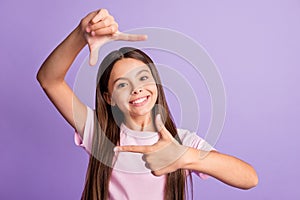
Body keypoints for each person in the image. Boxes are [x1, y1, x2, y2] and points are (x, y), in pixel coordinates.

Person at [37, 8, 258, 200]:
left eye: (143, 77)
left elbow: (249, 178)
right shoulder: (98, 132)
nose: (137, 89)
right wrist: (80, 35)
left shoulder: (179, 141)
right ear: (109, 97)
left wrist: (185, 156)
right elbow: (49, 80)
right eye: (122, 84)